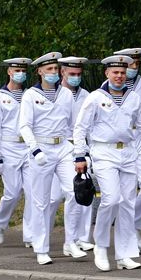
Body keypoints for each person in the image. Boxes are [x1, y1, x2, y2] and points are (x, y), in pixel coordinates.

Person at [74, 55, 141, 271]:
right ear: (107, 74)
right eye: (116, 72)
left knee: (127, 204)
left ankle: (124, 254)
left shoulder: (133, 98)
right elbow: (81, 127)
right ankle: (101, 247)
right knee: (111, 199)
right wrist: (80, 155)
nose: (120, 76)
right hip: (104, 152)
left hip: (128, 153)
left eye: (123, 72)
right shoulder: (95, 97)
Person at [19, 52, 79, 265]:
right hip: (41, 148)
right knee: (41, 201)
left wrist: (78, 149)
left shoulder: (65, 94)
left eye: (56, 69)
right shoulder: (30, 95)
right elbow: (24, 125)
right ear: (40, 71)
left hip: (63, 147)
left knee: (74, 192)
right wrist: (35, 149)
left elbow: (73, 125)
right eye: (49, 69)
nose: (53, 73)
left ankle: (71, 241)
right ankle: (42, 248)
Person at [113, 47, 141, 251]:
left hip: (139, 138)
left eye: (137, 64)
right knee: (126, 191)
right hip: (122, 140)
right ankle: (128, 232)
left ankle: (136, 225)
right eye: (130, 64)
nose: (133, 68)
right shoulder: (109, 86)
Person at [0, 57, 34, 246]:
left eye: (23, 70)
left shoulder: (30, 94)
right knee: (13, 192)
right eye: (17, 70)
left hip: (28, 147)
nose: (21, 74)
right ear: (9, 72)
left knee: (33, 193)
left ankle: (31, 235)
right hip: (9, 147)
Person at [57, 56, 95, 254]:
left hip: (81, 148)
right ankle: (39, 237)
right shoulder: (57, 94)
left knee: (83, 192)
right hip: (62, 148)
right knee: (54, 198)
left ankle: (81, 238)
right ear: (62, 72)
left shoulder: (86, 95)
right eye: (72, 74)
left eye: (79, 74)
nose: (76, 78)